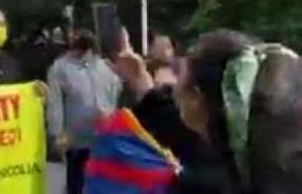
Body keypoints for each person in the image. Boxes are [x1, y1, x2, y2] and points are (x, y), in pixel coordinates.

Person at [110, 28, 302, 193]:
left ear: (198, 100)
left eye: (180, 79)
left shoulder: (202, 183)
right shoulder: (274, 163)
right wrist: (141, 82)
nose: (173, 88)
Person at [46, 28, 121, 194]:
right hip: (75, 141)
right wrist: (57, 134)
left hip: (103, 139)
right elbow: (55, 104)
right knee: (77, 185)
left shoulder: (105, 67)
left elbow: (114, 97)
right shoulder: (60, 68)